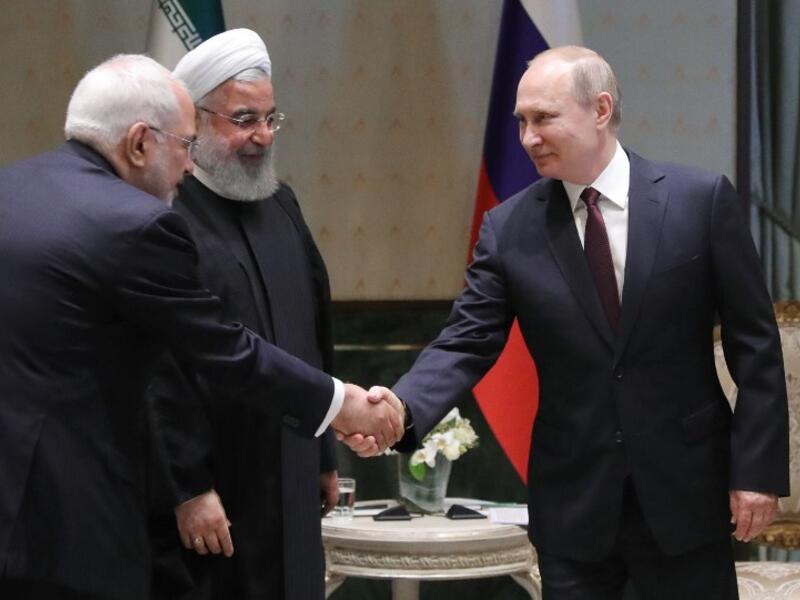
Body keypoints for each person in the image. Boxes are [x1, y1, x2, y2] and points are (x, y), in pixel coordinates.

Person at [349, 46, 790, 599]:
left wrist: (756, 472)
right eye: (522, 122)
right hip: (576, 505)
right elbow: (466, 339)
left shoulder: (699, 201)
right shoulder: (509, 230)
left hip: (687, 493)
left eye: (543, 118)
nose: (528, 137)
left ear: (600, 109)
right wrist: (402, 407)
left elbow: (755, 346)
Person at [0, 54, 403, 600]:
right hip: (73, 521)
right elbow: (225, 349)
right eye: (185, 145)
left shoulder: (13, 189)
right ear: (140, 141)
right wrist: (342, 405)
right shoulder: (135, 223)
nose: (189, 167)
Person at [147, 29, 338, 600]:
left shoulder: (282, 203)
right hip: (217, 486)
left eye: (270, 119)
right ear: (196, 121)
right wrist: (188, 487)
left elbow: (315, 332)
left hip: (294, 470)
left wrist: (324, 453)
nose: (261, 137)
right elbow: (159, 369)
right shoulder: (165, 217)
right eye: (244, 119)